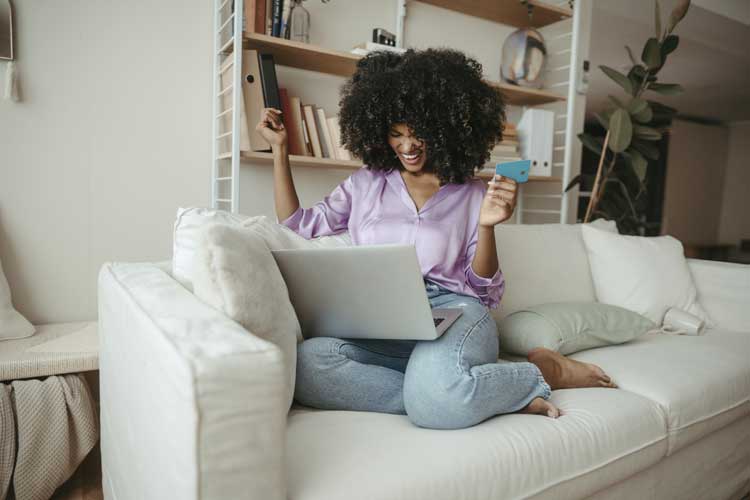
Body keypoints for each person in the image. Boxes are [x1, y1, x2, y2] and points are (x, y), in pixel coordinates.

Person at [255, 48, 615, 430]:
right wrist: (281, 151)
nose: (407, 147)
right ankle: (451, 391)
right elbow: (297, 224)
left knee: (438, 404)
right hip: (385, 319)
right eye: (397, 133)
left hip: (455, 312)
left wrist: (488, 226)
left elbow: (486, 291)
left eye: (419, 134)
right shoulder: (365, 184)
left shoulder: (473, 192)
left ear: (446, 130)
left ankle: (534, 374)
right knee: (309, 364)